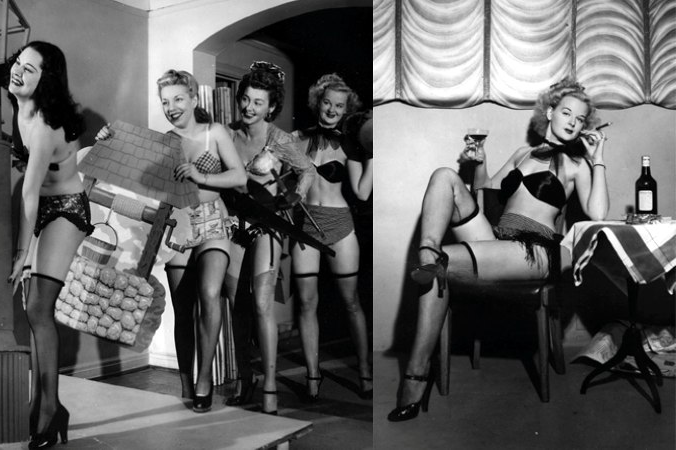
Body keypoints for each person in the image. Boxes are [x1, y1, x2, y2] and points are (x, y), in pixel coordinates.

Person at [388, 78, 609, 422]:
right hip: (498, 239)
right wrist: (480, 162)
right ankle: (428, 250)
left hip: (535, 251)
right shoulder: (523, 154)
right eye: (567, 112)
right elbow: (487, 192)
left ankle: (416, 373)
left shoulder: (577, 165)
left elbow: (598, 213)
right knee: (444, 175)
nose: (572, 122)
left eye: (580, 119)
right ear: (550, 111)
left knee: (437, 269)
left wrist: (598, 160)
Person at [97, 70, 246, 413]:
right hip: (178, 227)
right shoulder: (165, 140)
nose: (172, 107)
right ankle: (185, 384)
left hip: (212, 221)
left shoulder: (215, 133)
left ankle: (204, 380)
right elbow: (133, 170)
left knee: (210, 294)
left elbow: (239, 176)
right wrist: (107, 140)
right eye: (165, 102)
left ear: (193, 98)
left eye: (178, 99)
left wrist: (200, 175)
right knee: (183, 308)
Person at [0, 41, 91, 449]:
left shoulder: (45, 124)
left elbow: (28, 192)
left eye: (30, 69)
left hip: (66, 207)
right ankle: (41, 403)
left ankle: (50, 408)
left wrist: (21, 253)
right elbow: (27, 161)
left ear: (46, 81)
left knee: (39, 308)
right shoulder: (19, 105)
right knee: (33, 309)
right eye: (18, 63)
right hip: (42, 204)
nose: (18, 72)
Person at [223, 61, 316, 415]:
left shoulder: (280, 140)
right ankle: (245, 379)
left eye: (258, 102)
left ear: (271, 107)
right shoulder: (228, 135)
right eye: (245, 99)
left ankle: (271, 387)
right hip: (233, 224)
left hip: (269, 225)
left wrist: (296, 195)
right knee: (236, 304)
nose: (249, 107)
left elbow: (308, 170)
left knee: (262, 305)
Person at [290, 74, 373, 403]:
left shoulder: (351, 144)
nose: (331, 110)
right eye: (327, 102)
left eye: (339, 106)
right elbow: (274, 175)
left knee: (351, 303)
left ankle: (365, 372)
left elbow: (362, 193)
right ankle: (313, 375)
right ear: (317, 103)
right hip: (306, 225)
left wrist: (373, 155)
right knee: (306, 303)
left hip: (341, 226)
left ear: (346, 109)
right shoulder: (297, 139)